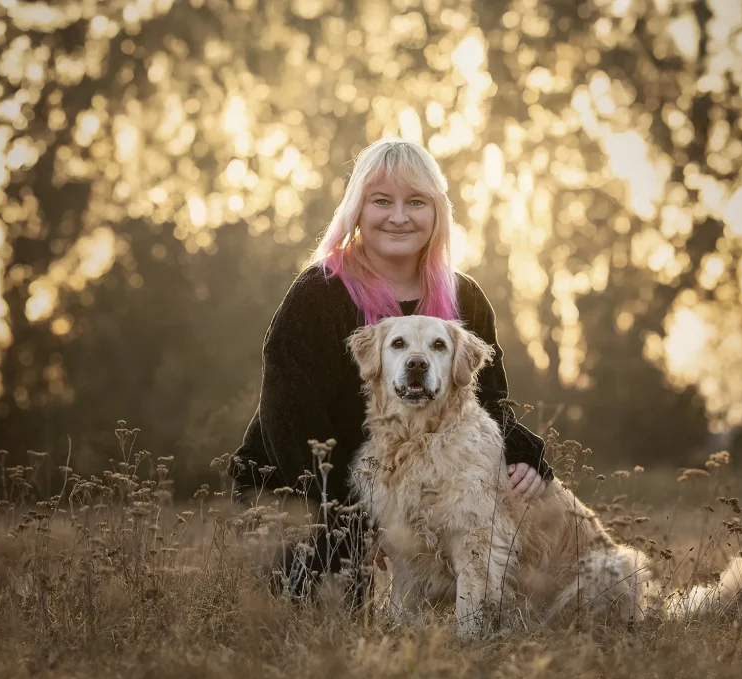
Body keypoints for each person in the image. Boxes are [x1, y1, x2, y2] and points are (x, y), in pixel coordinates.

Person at [229, 139, 553, 601]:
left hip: (412, 496)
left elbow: (488, 400)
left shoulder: (465, 297)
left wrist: (525, 460)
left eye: (415, 201)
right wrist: (364, 521)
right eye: (382, 200)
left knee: (488, 590)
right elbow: (292, 424)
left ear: (437, 211)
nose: (398, 216)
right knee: (335, 608)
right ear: (357, 208)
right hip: (299, 491)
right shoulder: (317, 295)